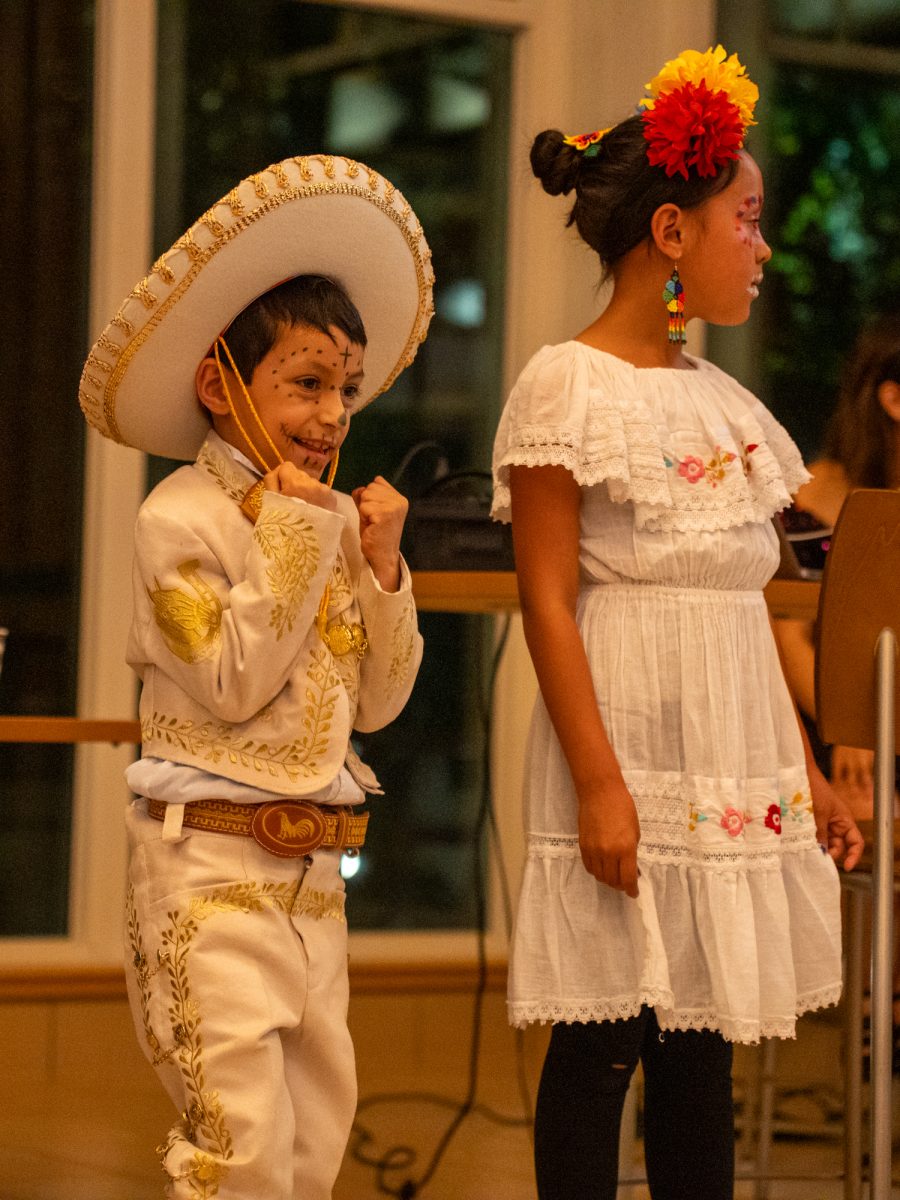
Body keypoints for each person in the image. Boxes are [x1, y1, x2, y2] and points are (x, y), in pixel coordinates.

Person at [490, 47, 863, 1199]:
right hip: (631, 758)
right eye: (746, 220)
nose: (760, 244)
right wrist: (600, 782)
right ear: (670, 234)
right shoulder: (568, 385)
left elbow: (746, 607)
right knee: (606, 1043)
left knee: (701, 1046)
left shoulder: (727, 403)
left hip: (726, 765)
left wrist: (802, 774)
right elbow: (548, 597)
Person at [78, 154, 433, 1200]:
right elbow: (232, 678)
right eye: (306, 384)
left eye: (346, 390)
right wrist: (298, 532)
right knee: (242, 1151)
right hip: (206, 882)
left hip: (315, 888)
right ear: (217, 383)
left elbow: (379, 700)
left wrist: (382, 570)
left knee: (317, 1147)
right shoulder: (176, 521)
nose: (331, 416)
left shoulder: (318, 525)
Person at [777, 313, 900, 817]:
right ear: (892, 400)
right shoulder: (810, 497)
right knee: (863, 802)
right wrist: (855, 726)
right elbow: (788, 634)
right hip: (843, 727)